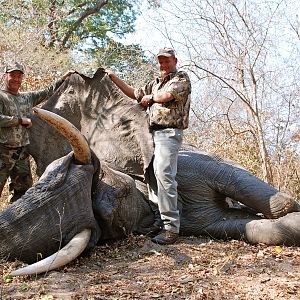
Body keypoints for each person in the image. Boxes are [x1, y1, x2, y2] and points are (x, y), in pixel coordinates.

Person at [106, 48, 191, 245]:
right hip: (151, 134)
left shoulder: (181, 78)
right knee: (151, 176)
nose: (163, 64)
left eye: (167, 61)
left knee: (164, 174)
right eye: (160, 61)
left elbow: (167, 96)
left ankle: (171, 229)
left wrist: (151, 98)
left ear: (175, 60)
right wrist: (113, 77)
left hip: (169, 133)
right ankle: (160, 222)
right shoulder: (154, 83)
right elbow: (135, 93)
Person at [0, 61, 75, 202]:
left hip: (21, 153)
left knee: (23, 192)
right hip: (2, 151)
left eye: (19, 76)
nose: (16, 79)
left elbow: (47, 92)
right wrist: (19, 120)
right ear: (5, 76)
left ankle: (15, 221)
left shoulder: (27, 97)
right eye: (12, 75)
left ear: (22, 78)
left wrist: (63, 79)